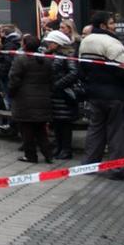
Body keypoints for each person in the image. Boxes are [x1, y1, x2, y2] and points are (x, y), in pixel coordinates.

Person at [79, 11, 124, 180]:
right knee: (118, 132)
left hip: (95, 94)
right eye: (111, 23)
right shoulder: (112, 43)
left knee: (96, 129)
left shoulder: (85, 42)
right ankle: (116, 168)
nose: (114, 26)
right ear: (103, 25)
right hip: (116, 94)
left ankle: (89, 164)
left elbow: (82, 69)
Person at [8, 35, 55, 163]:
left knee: (26, 129)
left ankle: (30, 155)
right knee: (40, 129)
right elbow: (51, 78)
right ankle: (48, 154)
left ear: (24, 45)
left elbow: (14, 79)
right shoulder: (46, 60)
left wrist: (11, 93)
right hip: (43, 98)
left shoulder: (21, 60)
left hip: (24, 99)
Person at [43, 30, 80, 159]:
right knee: (57, 122)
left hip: (64, 94)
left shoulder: (67, 55)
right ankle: (59, 147)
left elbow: (73, 73)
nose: (48, 44)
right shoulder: (54, 54)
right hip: (55, 94)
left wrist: (58, 84)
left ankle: (66, 149)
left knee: (65, 124)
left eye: (51, 42)